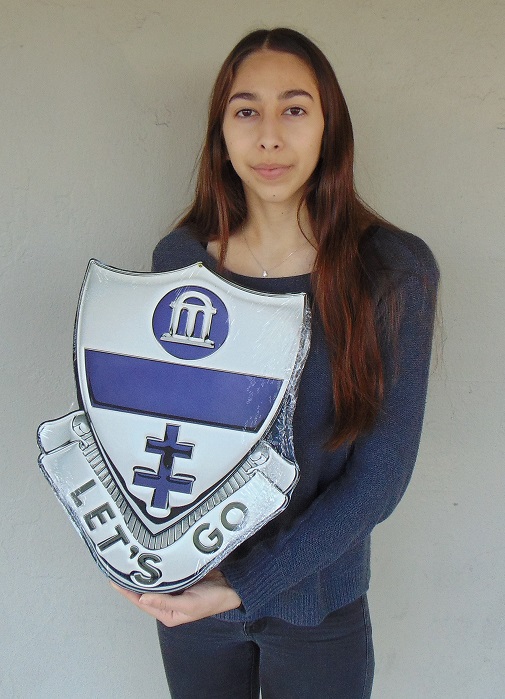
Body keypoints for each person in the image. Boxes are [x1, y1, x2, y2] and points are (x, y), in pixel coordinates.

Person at [112, 27, 439, 698]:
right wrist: (132, 546)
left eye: (294, 109)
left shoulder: (392, 269)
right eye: (246, 111)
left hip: (317, 607)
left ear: (328, 127)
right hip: (192, 604)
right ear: (221, 132)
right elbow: (160, 435)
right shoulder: (180, 261)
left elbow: (378, 479)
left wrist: (242, 584)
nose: (269, 137)